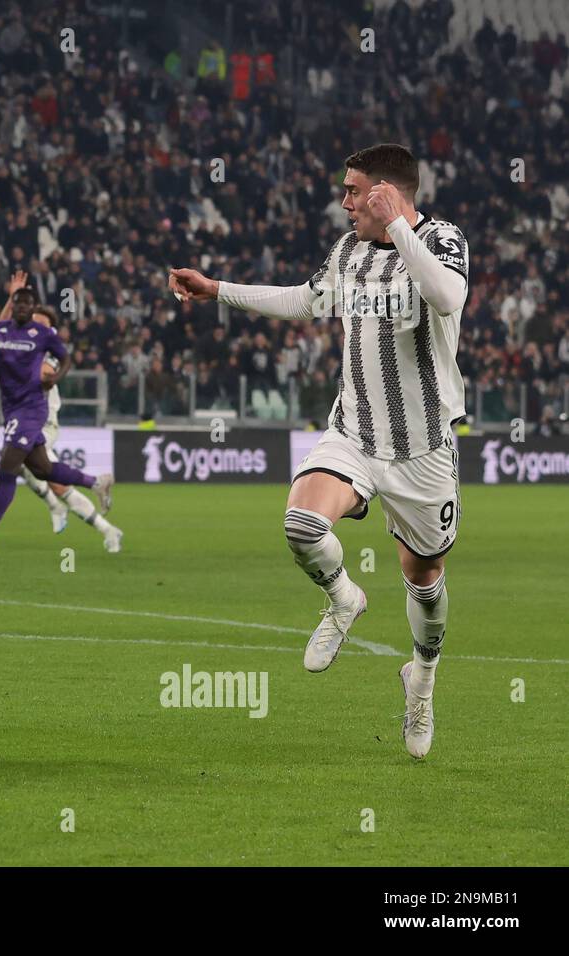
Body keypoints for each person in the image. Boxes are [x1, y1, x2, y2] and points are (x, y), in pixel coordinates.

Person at [169, 143, 468, 759]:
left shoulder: (442, 239)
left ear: (388, 191)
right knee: (302, 524)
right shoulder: (347, 250)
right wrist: (216, 289)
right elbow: (305, 301)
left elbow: (448, 298)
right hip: (354, 433)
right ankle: (344, 598)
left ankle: (422, 680)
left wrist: (396, 227)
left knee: (426, 582)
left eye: (355, 190)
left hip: (422, 450)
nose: (345, 200)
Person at [0, 282, 115, 551]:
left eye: (28, 305)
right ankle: (96, 482)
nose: (23, 308)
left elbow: (65, 359)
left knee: (7, 468)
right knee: (43, 469)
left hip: (32, 410)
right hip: (12, 409)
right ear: (14, 305)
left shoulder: (42, 336)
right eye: (18, 303)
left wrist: (54, 378)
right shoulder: (0, 330)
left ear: (32, 311)